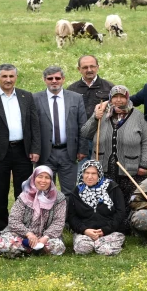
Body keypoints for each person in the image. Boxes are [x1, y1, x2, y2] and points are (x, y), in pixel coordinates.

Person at [0, 64, 41, 234]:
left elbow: (34, 125)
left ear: (16, 77)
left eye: (11, 76)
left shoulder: (26, 96)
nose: (8, 80)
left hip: (22, 150)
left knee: (25, 191)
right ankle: (2, 227)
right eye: (4, 76)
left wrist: (35, 148)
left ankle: (24, 225)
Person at [81, 85, 147, 230]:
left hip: (130, 167)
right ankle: (110, 225)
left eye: (122, 96)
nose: (119, 100)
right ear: (110, 99)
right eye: (115, 97)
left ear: (127, 98)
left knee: (131, 198)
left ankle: (130, 227)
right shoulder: (101, 114)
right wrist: (95, 118)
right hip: (105, 165)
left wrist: (144, 164)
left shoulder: (138, 116)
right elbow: (85, 133)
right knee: (109, 196)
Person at [0, 166, 66, 257]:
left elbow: (58, 222)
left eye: (47, 178)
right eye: (40, 176)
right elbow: (14, 220)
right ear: (34, 178)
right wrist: (29, 234)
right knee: (4, 242)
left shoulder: (59, 198)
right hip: (23, 235)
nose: (43, 180)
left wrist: (45, 238)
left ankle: (20, 250)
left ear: (51, 180)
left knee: (57, 247)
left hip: (45, 237)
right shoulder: (25, 195)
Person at [34, 65, 88, 197]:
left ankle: (67, 217)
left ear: (63, 79)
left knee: (69, 191)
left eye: (57, 78)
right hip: (45, 153)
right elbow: (32, 128)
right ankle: (46, 217)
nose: (54, 81)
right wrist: (34, 150)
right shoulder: (35, 99)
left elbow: (83, 125)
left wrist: (82, 149)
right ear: (44, 80)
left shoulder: (76, 98)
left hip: (68, 152)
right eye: (50, 78)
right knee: (44, 191)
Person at [68, 160, 126, 256]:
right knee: (83, 249)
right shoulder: (76, 191)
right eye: (87, 173)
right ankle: (94, 243)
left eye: (94, 173)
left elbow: (120, 212)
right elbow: (71, 216)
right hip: (86, 232)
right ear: (82, 173)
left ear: (99, 174)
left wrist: (105, 230)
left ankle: (102, 243)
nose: (90, 177)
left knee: (105, 250)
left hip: (110, 230)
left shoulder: (112, 188)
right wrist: (84, 230)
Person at [66, 55, 114, 159]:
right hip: (80, 140)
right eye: (85, 67)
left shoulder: (109, 87)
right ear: (79, 69)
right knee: (83, 174)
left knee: (101, 172)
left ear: (98, 67)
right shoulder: (71, 89)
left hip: (102, 139)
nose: (89, 70)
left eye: (92, 66)